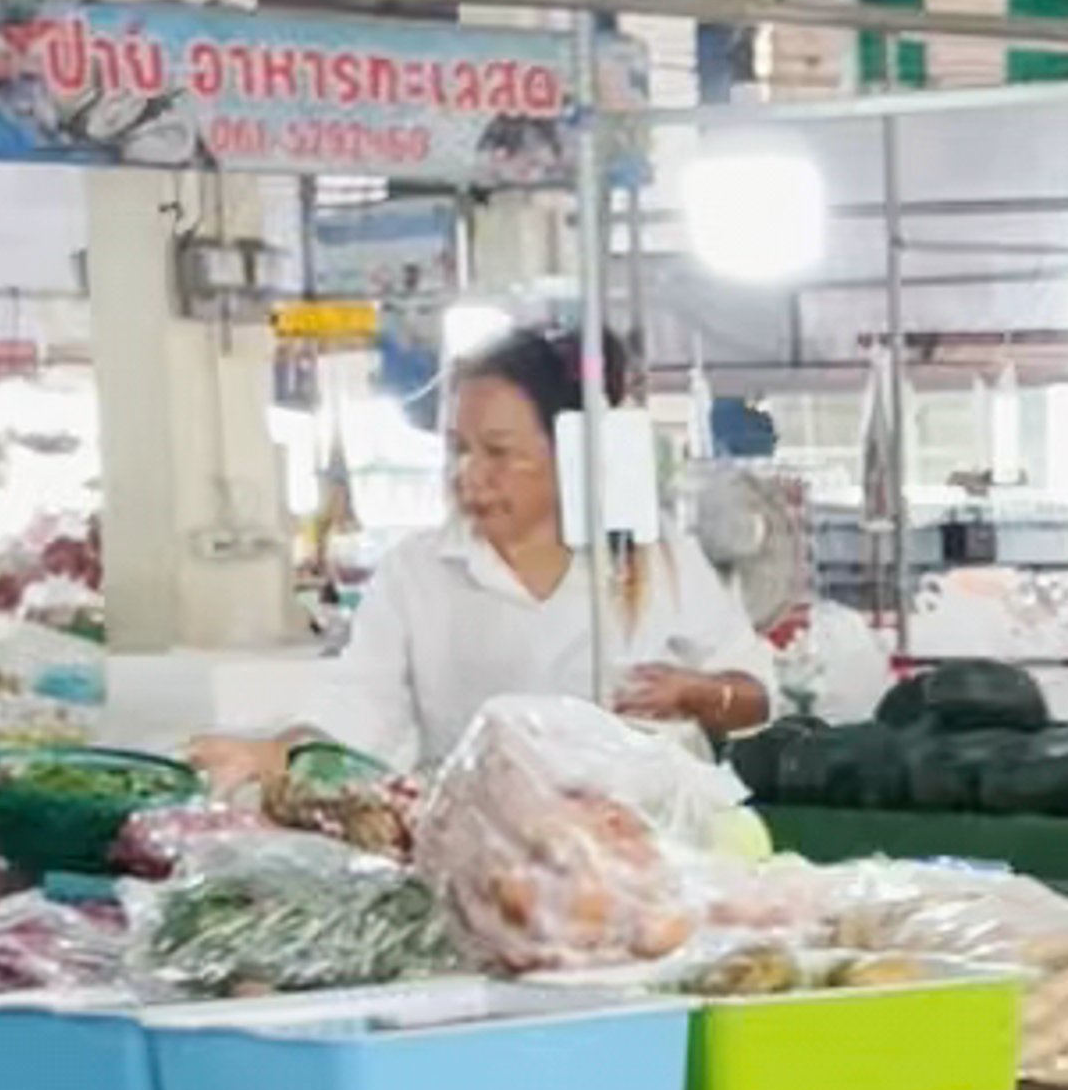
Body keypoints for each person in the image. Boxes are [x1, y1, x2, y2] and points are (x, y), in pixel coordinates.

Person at [304, 329, 774, 777]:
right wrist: (280, 753)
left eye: (498, 452)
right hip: (485, 841)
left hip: (642, 837)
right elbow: (356, 714)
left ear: (572, 453)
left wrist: (698, 693)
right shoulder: (417, 574)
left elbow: (758, 696)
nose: (469, 475)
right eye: (458, 449)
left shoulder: (654, 557)